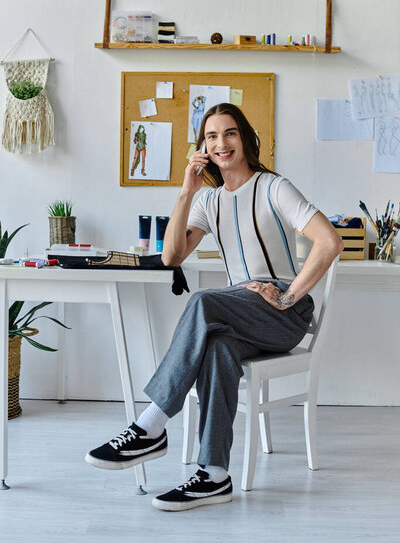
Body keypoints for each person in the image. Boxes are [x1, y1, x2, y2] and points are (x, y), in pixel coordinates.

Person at [86, 103, 343, 512]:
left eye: (229, 133)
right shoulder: (209, 200)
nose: (220, 143)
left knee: (204, 301)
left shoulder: (275, 187)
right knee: (218, 350)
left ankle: (150, 425)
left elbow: (330, 242)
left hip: (282, 314)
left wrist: (289, 296)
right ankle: (214, 475)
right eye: (211, 136)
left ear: (245, 138)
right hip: (238, 309)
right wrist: (186, 191)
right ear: (202, 147)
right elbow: (172, 256)